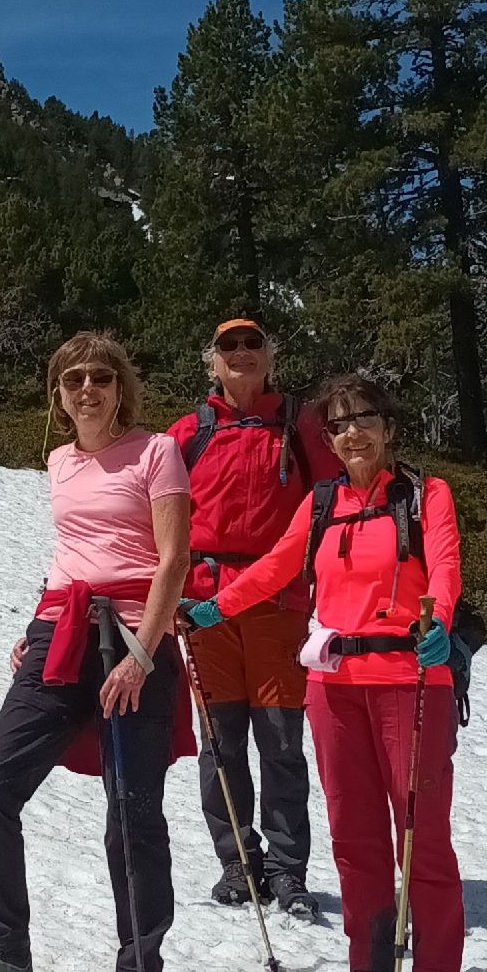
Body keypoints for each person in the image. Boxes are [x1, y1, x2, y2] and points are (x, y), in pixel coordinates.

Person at [185, 369, 466, 972]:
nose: (351, 433)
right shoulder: (321, 504)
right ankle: (369, 967)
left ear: (388, 426)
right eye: (338, 425)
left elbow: (445, 568)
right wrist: (214, 608)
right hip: (334, 686)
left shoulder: (426, 495)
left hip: (410, 680)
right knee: (353, 833)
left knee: (420, 835)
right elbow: (275, 568)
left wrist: (440, 623)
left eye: (364, 418)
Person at [0, 331, 194, 972]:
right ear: (58, 392)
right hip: (64, 633)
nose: (87, 389)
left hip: (136, 637)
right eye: (73, 378)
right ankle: (4, 954)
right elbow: (70, 554)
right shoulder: (59, 460)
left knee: (131, 811)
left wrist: (142, 656)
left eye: (100, 377)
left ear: (120, 387)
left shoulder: (156, 452)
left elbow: (174, 559)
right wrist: (38, 623)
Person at [167, 318, 335, 920]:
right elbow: (158, 518)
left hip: (277, 604)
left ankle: (287, 870)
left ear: (270, 356)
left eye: (252, 343)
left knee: (281, 741)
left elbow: (335, 505)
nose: (241, 353)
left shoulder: (301, 426)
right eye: (228, 346)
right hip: (204, 607)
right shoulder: (188, 433)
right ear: (211, 362)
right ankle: (238, 862)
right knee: (221, 742)